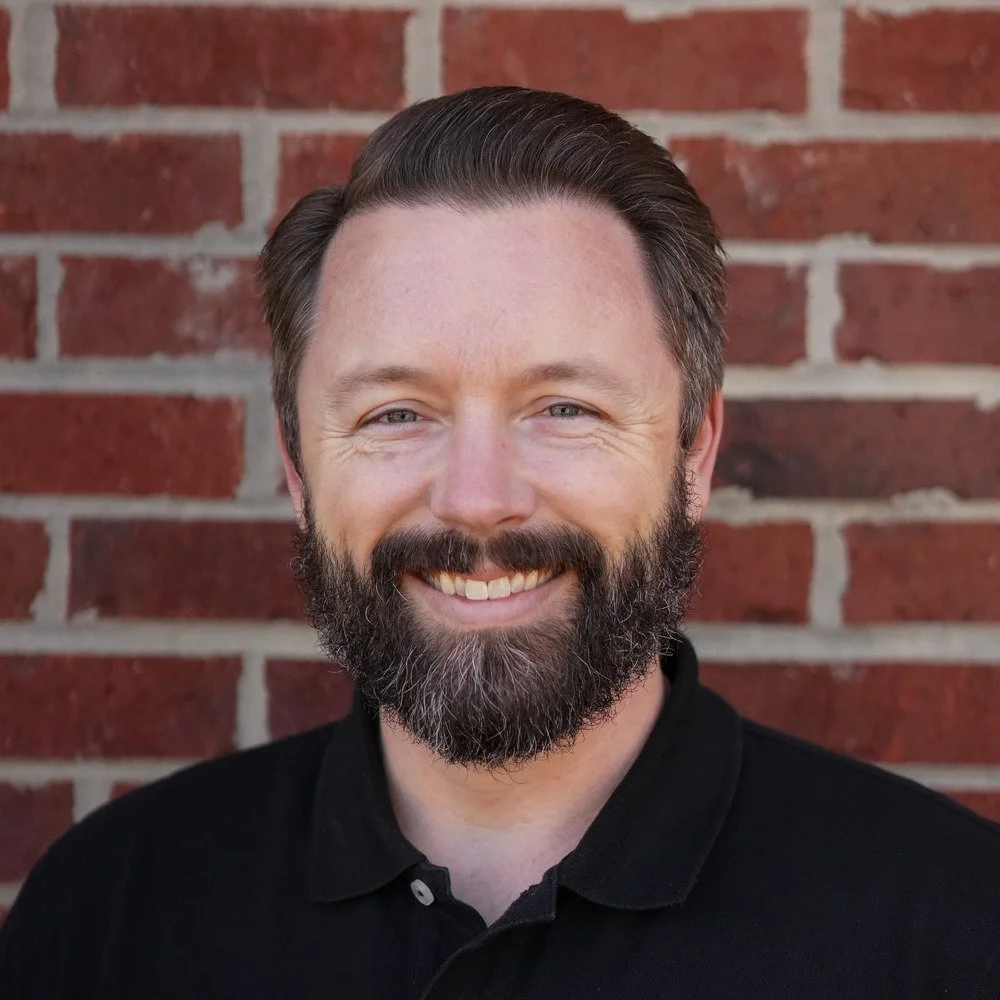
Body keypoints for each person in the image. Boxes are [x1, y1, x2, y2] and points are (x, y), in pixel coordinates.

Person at [1, 86, 998, 999]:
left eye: (564, 406)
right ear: (299, 469)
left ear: (694, 452)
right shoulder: (105, 921)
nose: (478, 501)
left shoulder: (953, 933)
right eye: (396, 413)